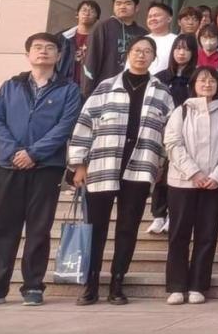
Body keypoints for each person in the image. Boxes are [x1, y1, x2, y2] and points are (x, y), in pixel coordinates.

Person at [69, 36, 175, 305]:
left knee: (128, 228)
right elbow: (85, 124)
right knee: (96, 227)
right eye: (137, 50)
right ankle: (91, 282)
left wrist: (161, 164)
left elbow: (169, 133)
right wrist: (79, 163)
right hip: (102, 165)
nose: (141, 55)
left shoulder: (162, 92)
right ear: (128, 54)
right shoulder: (106, 87)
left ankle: (117, 282)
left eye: (147, 51)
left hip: (140, 168)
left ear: (154, 58)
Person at [0, 33, 82, 307]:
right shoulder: (10, 86)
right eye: (37, 48)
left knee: (39, 228)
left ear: (59, 56)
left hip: (46, 168)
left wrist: (34, 153)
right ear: (28, 54)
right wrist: (15, 152)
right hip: (8, 166)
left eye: (50, 48)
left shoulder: (69, 89)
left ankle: (33, 286)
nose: (43, 52)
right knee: (3, 228)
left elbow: (65, 126)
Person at [162, 67, 218, 305]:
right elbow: (173, 144)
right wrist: (194, 172)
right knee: (179, 234)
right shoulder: (181, 111)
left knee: (207, 235)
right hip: (182, 182)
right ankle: (176, 285)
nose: (207, 84)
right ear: (194, 84)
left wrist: (217, 175)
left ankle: (198, 285)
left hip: (214, 184)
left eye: (212, 81)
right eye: (202, 80)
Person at [148, 33, 200, 234]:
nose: (181, 53)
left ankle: (173, 215)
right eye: (178, 48)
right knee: (161, 175)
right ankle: (158, 215)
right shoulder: (160, 77)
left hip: (187, 132)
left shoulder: (196, 77)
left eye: (186, 49)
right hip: (162, 131)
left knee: (179, 174)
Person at [82, 0, 148, 95]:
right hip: (105, 90)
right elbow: (91, 58)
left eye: (127, 3)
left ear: (137, 8)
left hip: (135, 89)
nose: (122, 7)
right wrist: (88, 91)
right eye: (118, 4)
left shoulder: (143, 33)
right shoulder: (103, 27)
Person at [57, 0, 101, 85]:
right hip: (65, 83)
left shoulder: (100, 39)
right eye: (84, 10)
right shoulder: (63, 37)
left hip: (90, 84)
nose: (87, 14)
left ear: (97, 18)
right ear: (77, 14)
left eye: (92, 11)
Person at [145, 2, 177, 75]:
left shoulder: (177, 41)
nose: (152, 19)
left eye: (156, 15)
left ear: (169, 19)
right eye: (150, 16)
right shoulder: (141, 40)